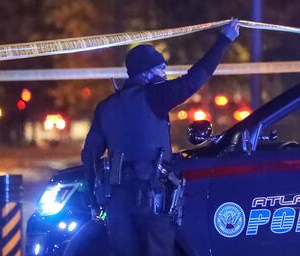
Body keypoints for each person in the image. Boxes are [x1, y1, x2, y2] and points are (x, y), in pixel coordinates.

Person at [80, 19, 239, 256]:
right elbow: (195, 78)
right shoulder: (156, 96)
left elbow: (90, 156)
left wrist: (93, 201)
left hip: (117, 202)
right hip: (152, 199)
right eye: (161, 69)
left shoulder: (105, 107)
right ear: (146, 73)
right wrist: (224, 40)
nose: (165, 74)